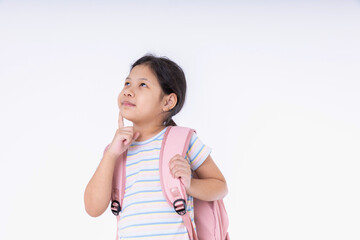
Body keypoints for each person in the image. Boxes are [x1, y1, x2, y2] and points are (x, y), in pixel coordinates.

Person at [84, 54, 228, 239]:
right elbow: (93, 208)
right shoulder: (115, 150)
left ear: (167, 102)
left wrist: (190, 185)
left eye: (142, 85)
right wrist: (111, 155)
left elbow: (220, 186)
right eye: (127, 83)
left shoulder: (184, 140)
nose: (128, 91)